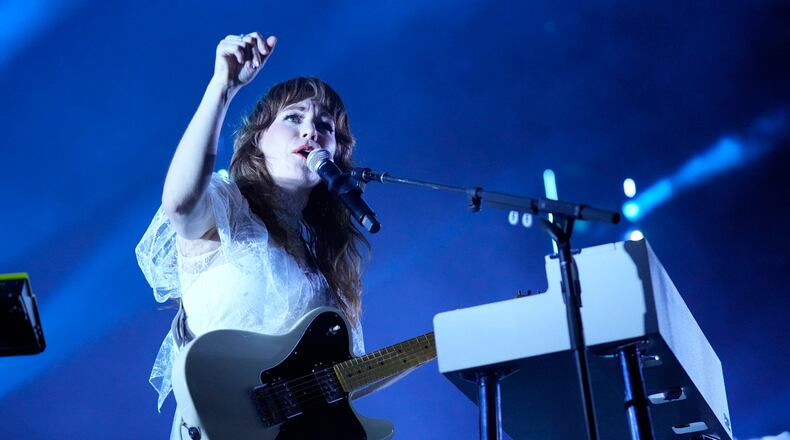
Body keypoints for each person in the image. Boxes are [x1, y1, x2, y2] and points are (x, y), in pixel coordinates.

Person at [135, 32, 369, 438]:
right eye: (293, 118)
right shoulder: (227, 209)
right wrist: (221, 89)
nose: (310, 132)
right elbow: (180, 204)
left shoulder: (323, 267)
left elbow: (333, 388)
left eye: (324, 126)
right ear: (259, 138)